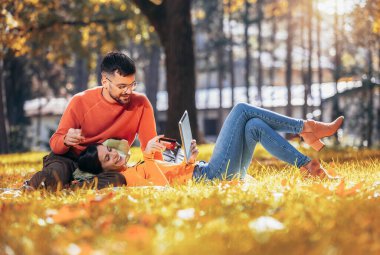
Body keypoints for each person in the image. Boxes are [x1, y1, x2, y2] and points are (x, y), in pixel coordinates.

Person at [77, 103, 344, 187]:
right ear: (103, 170)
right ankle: (306, 128)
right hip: (212, 176)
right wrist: (149, 158)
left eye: (109, 150)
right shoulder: (126, 180)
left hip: (205, 170)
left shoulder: (133, 165)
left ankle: (308, 166)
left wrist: (188, 158)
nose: (113, 155)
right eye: (107, 159)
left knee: (253, 127)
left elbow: (177, 175)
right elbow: (163, 187)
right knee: (240, 110)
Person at [26, 51, 163, 191]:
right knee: (55, 176)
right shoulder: (80, 101)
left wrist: (163, 172)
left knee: (119, 179)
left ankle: (71, 191)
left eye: (132, 85)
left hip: (105, 166)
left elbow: (152, 149)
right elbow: (56, 144)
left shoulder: (141, 104)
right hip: (70, 159)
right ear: (104, 81)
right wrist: (66, 140)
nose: (128, 91)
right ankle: (31, 188)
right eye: (122, 86)